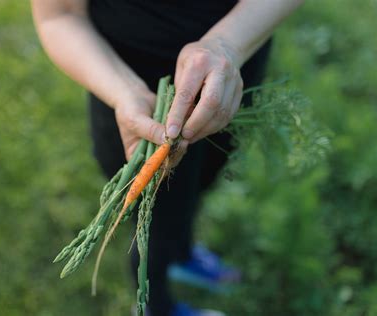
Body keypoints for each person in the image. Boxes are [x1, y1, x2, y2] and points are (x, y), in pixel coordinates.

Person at [31, 1, 304, 315]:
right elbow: (59, 15)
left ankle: (182, 254)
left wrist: (226, 45)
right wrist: (125, 93)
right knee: (152, 219)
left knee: (202, 180)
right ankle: (154, 305)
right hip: (125, 83)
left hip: (230, 70)